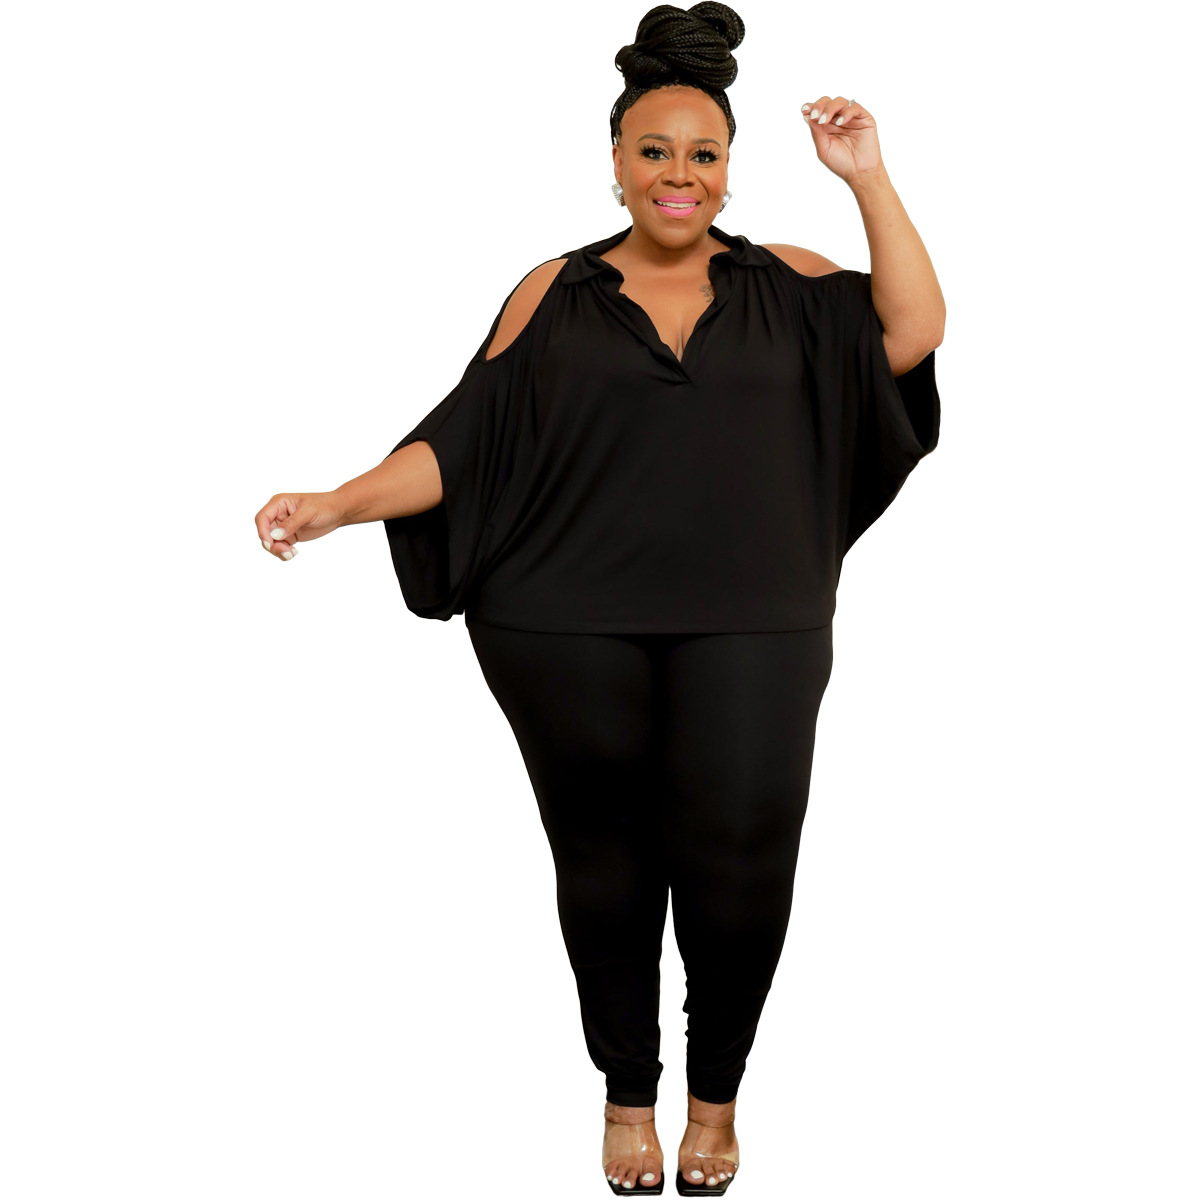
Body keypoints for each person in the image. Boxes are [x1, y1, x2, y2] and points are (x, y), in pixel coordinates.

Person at [253, 3, 944, 1193]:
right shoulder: (555, 289)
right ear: (616, 163)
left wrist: (866, 176)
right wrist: (338, 502)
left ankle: (715, 1101)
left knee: (742, 865)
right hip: (560, 621)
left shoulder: (791, 281)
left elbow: (914, 330)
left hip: (757, 617)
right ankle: (629, 1097)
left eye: (703, 153)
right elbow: (463, 444)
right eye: (655, 150)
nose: (680, 174)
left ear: (729, 170)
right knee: (606, 866)